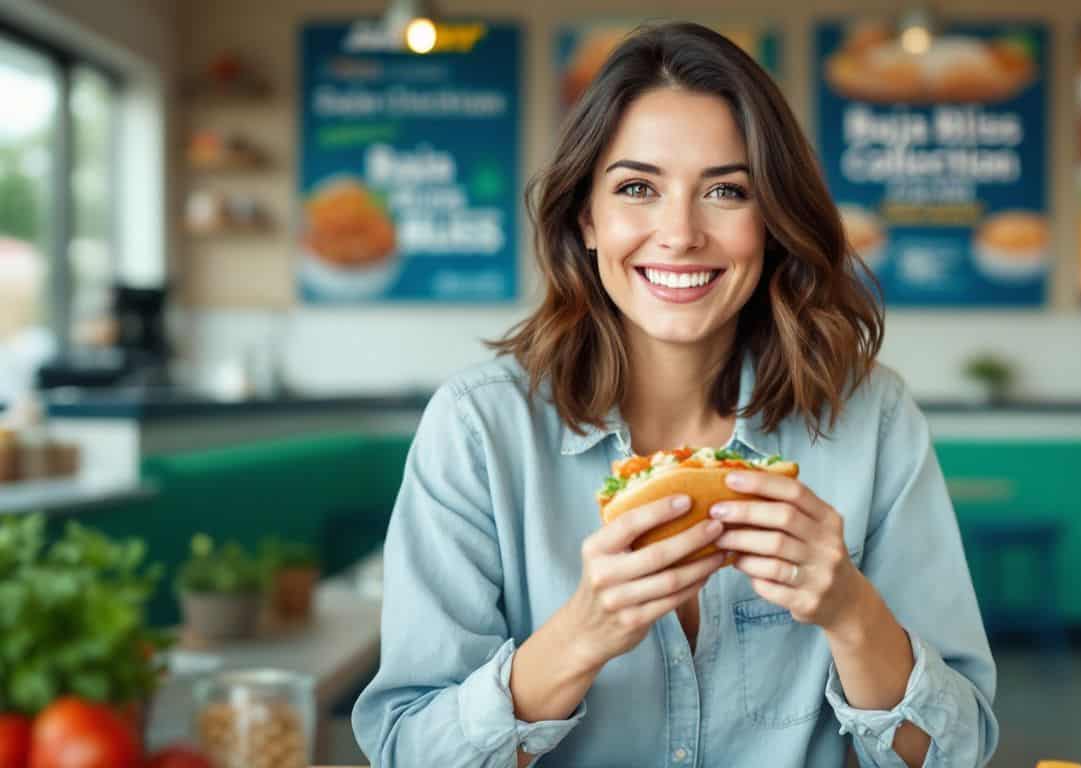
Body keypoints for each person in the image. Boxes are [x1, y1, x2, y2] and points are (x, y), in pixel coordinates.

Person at [353, 22, 997, 768]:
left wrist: (851, 612)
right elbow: (409, 751)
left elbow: (956, 754)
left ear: (774, 222)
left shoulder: (871, 419)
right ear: (587, 218)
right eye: (637, 188)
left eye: (726, 190)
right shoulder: (478, 429)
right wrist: (585, 632)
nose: (680, 233)